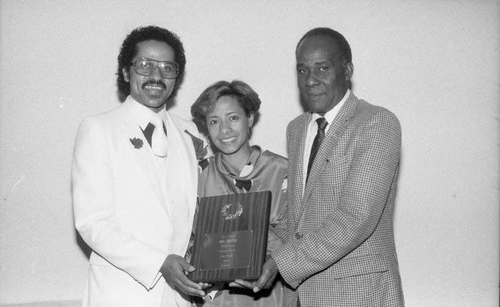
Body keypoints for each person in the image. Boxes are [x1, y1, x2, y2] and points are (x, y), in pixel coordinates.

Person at [246, 27, 405, 306]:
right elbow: (300, 218)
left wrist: (278, 263)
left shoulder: (377, 123)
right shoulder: (297, 129)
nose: (311, 80)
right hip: (302, 296)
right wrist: (247, 245)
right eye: (303, 70)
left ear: (347, 70)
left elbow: (355, 218)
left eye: (323, 68)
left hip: (359, 294)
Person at [72, 25, 207, 307]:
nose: (156, 76)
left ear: (176, 77)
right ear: (125, 72)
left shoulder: (190, 132)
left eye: (167, 68)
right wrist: (159, 263)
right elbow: (92, 223)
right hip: (120, 296)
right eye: (145, 65)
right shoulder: (99, 129)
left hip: (179, 298)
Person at [189, 80, 288, 307]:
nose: (224, 129)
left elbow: (301, 241)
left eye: (233, 118)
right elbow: (188, 244)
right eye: (214, 121)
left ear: (250, 118)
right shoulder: (198, 177)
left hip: (270, 299)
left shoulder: (282, 171)